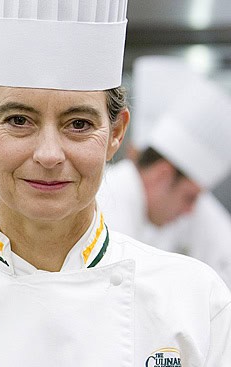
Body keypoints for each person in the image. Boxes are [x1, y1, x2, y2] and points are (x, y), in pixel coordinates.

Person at [0, 1, 231, 366]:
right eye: (20, 120)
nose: (49, 154)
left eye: (78, 124)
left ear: (116, 133)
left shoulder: (197, 307)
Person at [96, 56, 231, 287]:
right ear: (162, 175)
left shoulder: (144, 204)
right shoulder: (106, 209)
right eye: (190, 197)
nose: (191, 210)